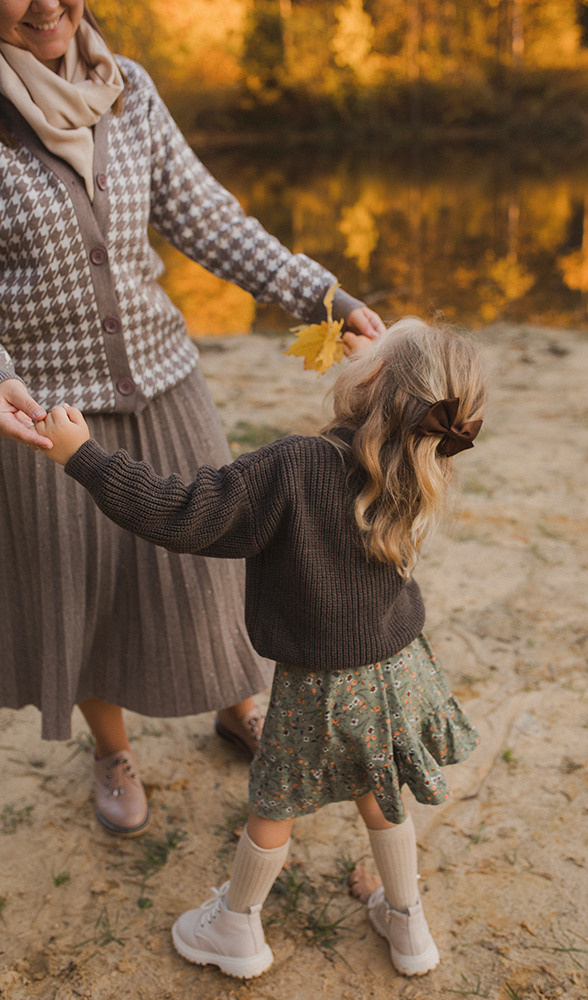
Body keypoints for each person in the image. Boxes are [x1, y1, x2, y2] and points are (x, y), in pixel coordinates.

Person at [0, 0, 385, 837]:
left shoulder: (127, 88)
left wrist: (321, 295)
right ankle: (111, 750)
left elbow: (209, 220)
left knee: (211, 564)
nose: (43, 5)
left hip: (164, 380)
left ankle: (231, 702)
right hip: (48, 411)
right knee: (83, 585)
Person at [35, 317, 486, 977]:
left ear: (372, 380)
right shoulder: (421, 453)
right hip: (397, 668)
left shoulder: (294, 466)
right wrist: (384, 371)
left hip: (320, 685)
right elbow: (403, 403)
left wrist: (83, 455)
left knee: (273, 806)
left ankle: (236, 927)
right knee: (380, 792)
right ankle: (407, 924)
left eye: (377, 349)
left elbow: (180, 511)